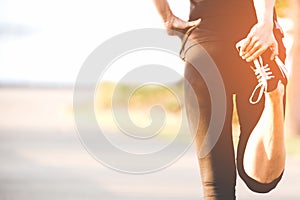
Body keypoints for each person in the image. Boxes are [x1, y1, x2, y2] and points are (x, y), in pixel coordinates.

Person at [152, 0, 288, 199]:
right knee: (261, 180)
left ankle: (273, 95)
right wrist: (265, 24)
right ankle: (273, 96)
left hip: (205, 46)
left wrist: (167, 17)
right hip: (257, 47)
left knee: (216, 188)